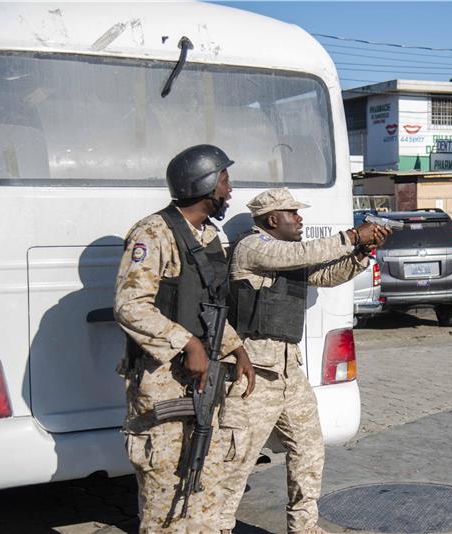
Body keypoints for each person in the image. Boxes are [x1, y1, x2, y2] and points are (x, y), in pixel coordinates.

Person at [211, 188, 390, 534]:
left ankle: (304, 527)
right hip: (253, 375)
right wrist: (352, 235)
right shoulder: (254, 247)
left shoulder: (287, 256)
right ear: (272, 219)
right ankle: (217, 527)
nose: (300, 219)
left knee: (309, 450)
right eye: (293, 214)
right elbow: (307, 252)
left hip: (288, 371)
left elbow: (325, 275)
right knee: (237, 460)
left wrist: (362, 252)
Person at [114, 144, 256, 533]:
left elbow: (207, 307)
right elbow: (130, 305)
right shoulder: (154, 233)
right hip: (162, 382)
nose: (230, 191)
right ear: (206, 184)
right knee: (166, 494)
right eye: (225, 180)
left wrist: (235, 348)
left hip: (204, 378)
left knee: (203, 486)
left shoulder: (208, 236)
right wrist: (187, 344)